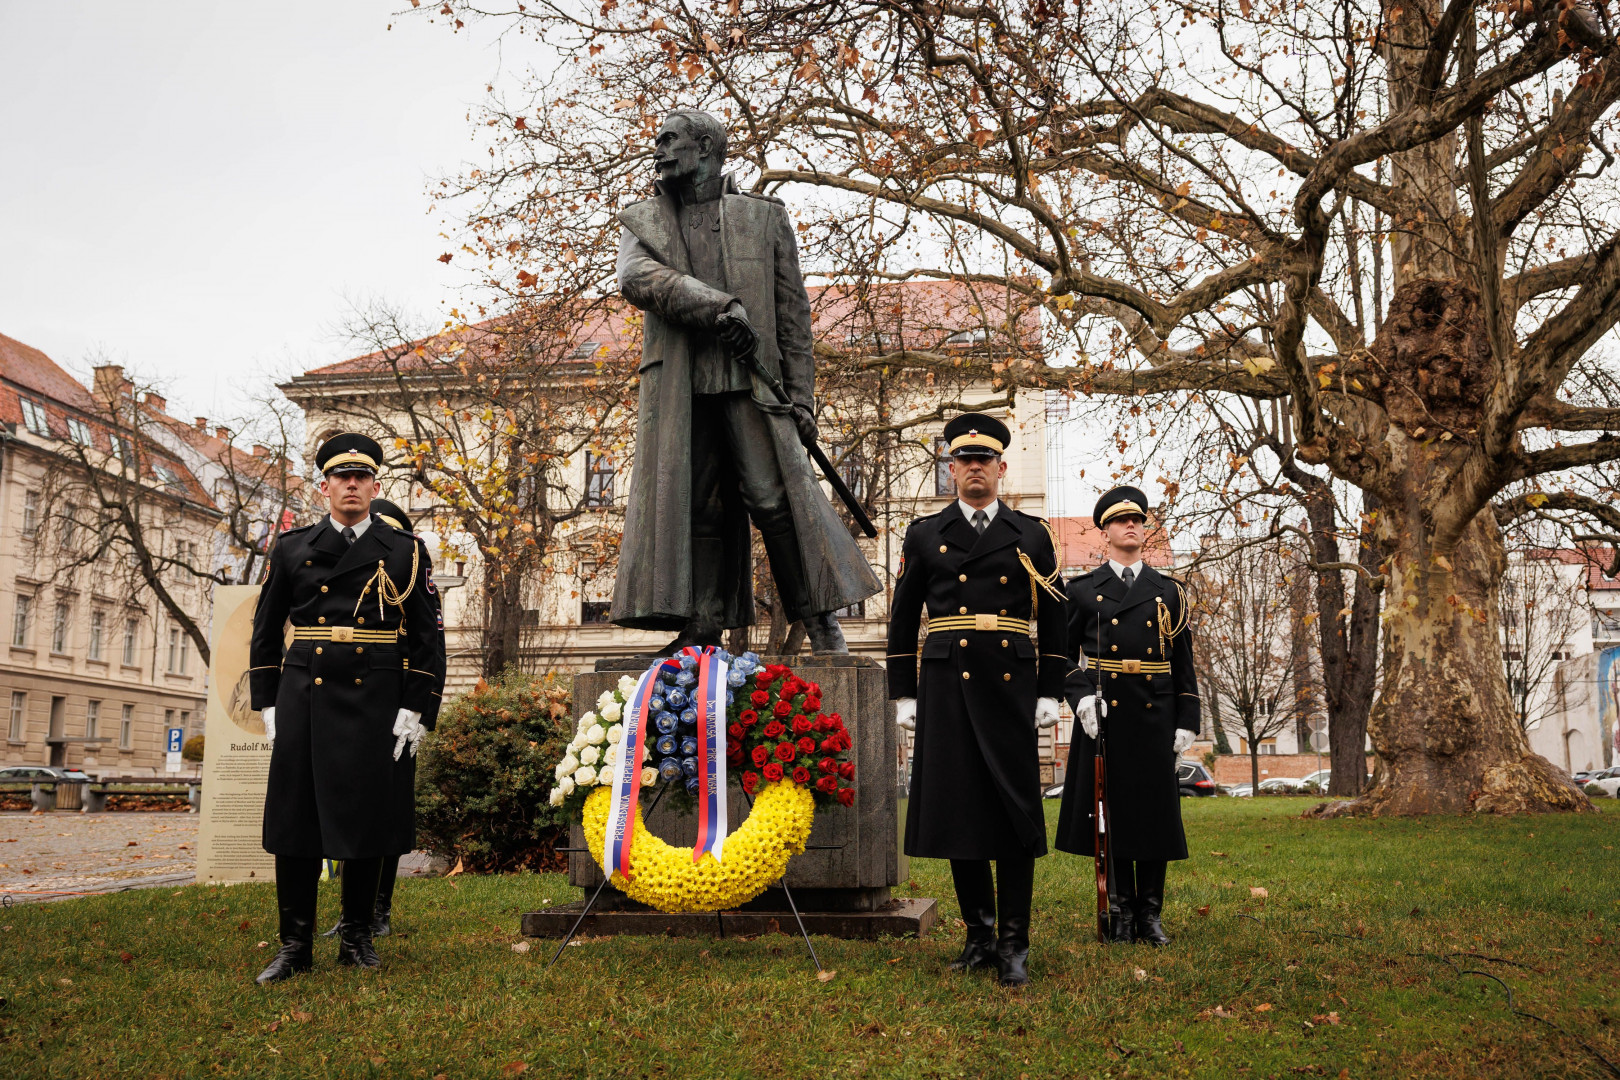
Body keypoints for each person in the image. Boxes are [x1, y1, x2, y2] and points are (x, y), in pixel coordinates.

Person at [611, 108, 880, 653]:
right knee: (698, 504)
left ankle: (819, 615)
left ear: (705, 147)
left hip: (751, 383)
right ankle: (703, 623)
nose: (657, 149)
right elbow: (636, 278)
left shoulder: (763, 217)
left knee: (774, 499)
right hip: (681, 388)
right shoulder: (645, 220)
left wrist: (802, 399)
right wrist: (717, 306)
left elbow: (792, 317)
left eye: (669, 139)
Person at [250, 434, 445, 983]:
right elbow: (265, 631)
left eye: (362, 477)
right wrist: (267, 701)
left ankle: (358, 936)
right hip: (304, 692)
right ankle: (295, 945)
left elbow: (428, 636)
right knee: (295, 820)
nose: (352, 484)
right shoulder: (291, 547)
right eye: (342, 477)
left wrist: (418, 707)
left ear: (376, 486)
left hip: (375, 696)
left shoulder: (405, 549)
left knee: (366, 819)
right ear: (325, 487)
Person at [885, 413, 1067, 986]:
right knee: (961, 810)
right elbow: (902, 618)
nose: (973, 470)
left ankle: (1015, 942)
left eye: (983, 461)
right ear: (951, 468)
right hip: (946, 686)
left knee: (1013, 812)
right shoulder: (923, 533)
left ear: (1001, 469)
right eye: (963, 461)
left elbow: (1057, 618)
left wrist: (1052, 690)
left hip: (1011, 684)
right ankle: (979, 937)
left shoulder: (1032, 533)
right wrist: (904, 695)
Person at [1054, 486, 1199, 946]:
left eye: (1138, 519)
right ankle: (1118, 911)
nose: (1131, 525)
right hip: (1106, 714)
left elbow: (1184, 661)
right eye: (1120, 521)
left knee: (1155, 813)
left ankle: (1150, 914)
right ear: (1106, 532)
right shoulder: (1081, 591)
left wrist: (1187, 719)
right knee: (1108, 814)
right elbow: (1060, 658)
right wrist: (1079, 698)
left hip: (1155, 713)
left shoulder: (1170, 592)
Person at [319, 498, 447, 941]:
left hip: (399, 708)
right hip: (362, 698)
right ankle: (350, 909)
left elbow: (434, 649)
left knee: (385, 814)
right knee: (346, 809)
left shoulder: (411, 570)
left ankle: (379, 909)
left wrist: (422, 712)